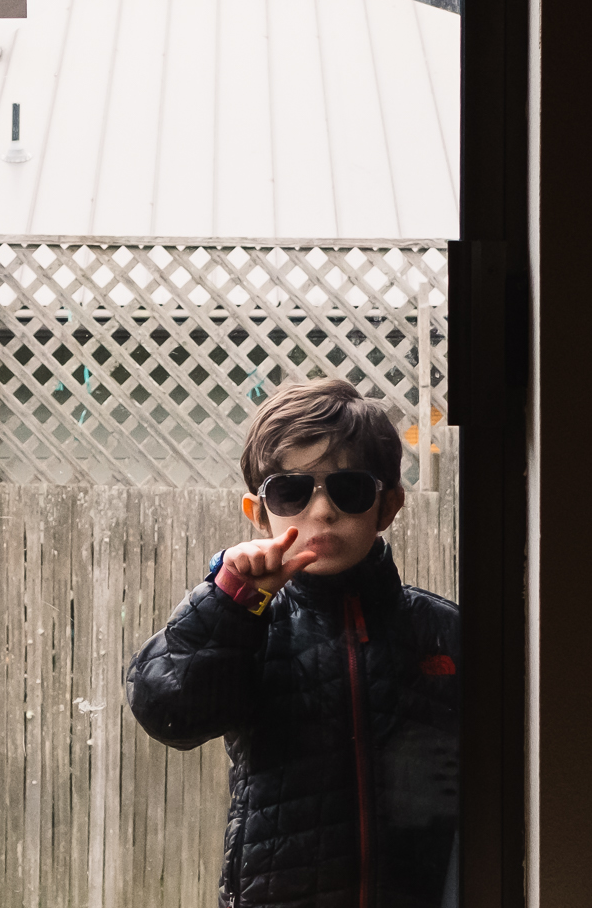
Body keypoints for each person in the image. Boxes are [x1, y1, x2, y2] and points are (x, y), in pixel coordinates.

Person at [127, 377, 459, 908]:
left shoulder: (443, 633)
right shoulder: (248, 626)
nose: (322, 511)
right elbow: (171, 712)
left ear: (388, 506)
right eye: (291, 490)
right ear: (258, 512)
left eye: (349, 488)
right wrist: (229, 602)